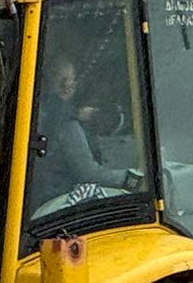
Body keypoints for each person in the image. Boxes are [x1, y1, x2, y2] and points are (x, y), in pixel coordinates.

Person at [29, 56, 145, 211]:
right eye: (59, 78)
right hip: (54, 203)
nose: (68, 85)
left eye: (71, 79)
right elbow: (88, 172)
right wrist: (133, 180)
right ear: (45, 81)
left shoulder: (39, 111)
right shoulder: (64, 122)